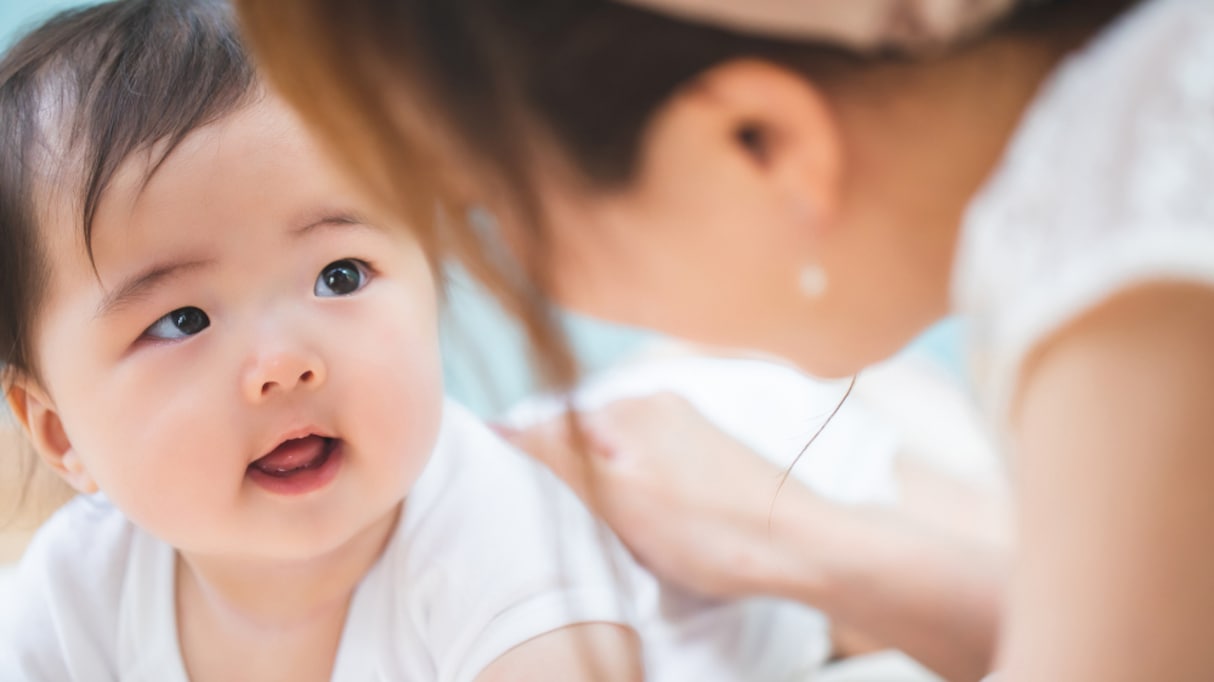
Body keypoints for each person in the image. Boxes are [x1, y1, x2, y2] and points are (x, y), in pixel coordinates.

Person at [234, 0, 1214, 680]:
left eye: (494, 208)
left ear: (757, 140)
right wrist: (803, 542)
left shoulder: (1133, 271)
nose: (535, 277)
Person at [0, 2, 642, 679]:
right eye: (182, 321)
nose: (283, 364)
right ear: (59, 432)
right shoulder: (77, 592)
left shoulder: (504, 538)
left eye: (340, 277)